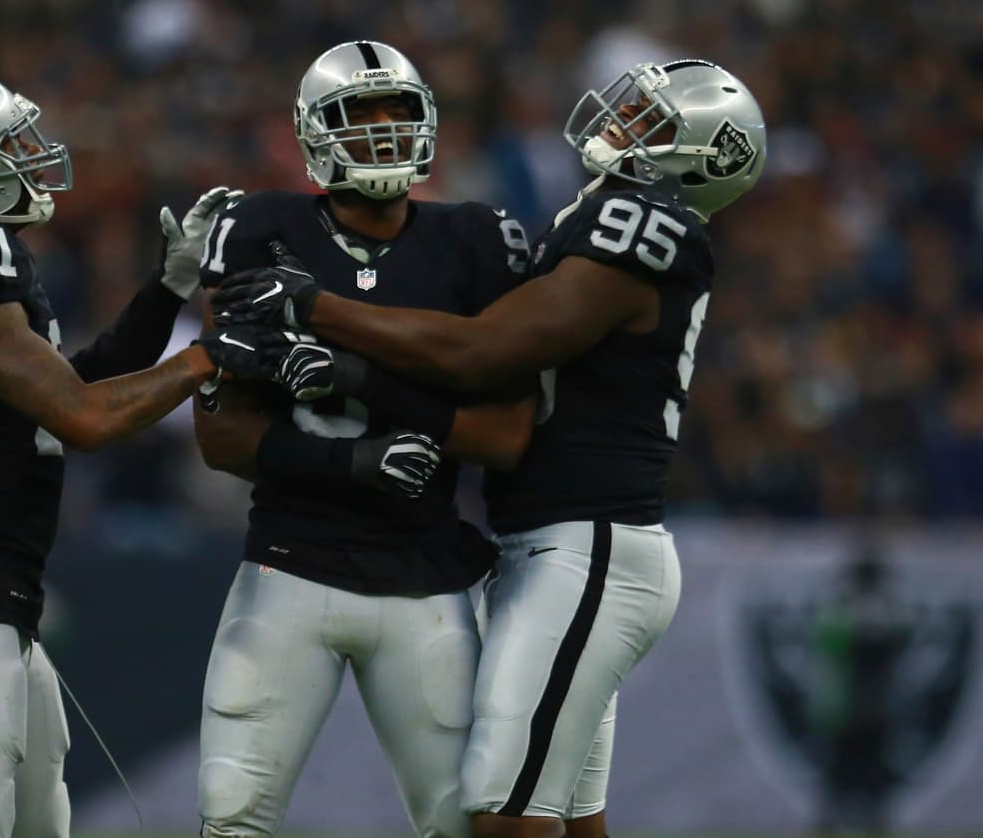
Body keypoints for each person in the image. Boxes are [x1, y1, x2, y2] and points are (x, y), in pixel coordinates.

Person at [213, 59, 767, 838]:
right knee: (570, 819)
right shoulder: (611, 212)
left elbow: (483, 353)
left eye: (653, 120)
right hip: (561, 543)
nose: (624, 118)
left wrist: (319, 309)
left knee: (503, 816)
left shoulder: (648, 224)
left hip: (588, 544)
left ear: (700, 161)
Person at [0, 70, 257, 838]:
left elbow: (79, 384)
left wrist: (168, 290)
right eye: (8, 145)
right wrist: (210, 355)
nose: (31, 157)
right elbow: (85, 417)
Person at [191, 41, 537, 837]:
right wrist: (346, 459)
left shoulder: (476, 240)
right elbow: (221, 433)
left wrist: (366, 382)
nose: (382, 133)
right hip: (288, 565)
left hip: (424, 575)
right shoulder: (263, 228)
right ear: (315, 131)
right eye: (360, 115)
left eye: (398, 114)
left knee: (462, 822)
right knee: (232, 814)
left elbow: (508, 433)